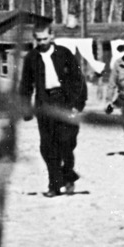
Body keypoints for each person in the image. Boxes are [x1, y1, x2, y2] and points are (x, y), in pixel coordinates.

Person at [19, 25, 87, 197]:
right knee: (48, 146)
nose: (42, 42)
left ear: (51, 36)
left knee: (66, 142)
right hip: (44, 103)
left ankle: (68, 173)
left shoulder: (64, 53)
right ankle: (54, 185)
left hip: (65, 101)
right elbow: (25, 85)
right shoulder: (31, 58)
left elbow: (78, 79)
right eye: (38, 39)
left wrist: (77, 105)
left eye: (45, 39)